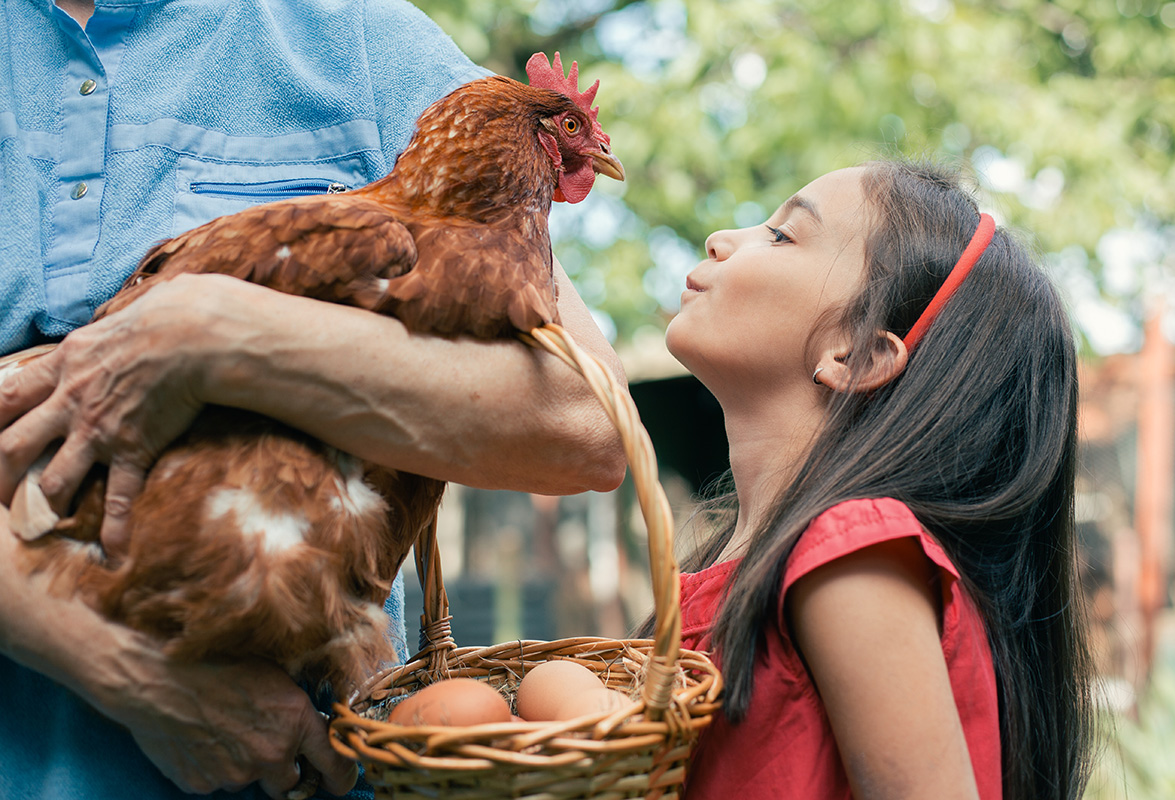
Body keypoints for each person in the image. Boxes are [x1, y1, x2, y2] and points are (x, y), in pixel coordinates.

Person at [0, 1, 625, 798]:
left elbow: (589, 423)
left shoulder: (357, 36)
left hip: (307, 759)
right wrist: (128, 673)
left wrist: (213, 336)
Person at [661, 160, 1093, 799]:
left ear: (857, 354)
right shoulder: (728, 563)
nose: (720, 239)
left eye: (781, 235)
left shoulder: (849, 550)